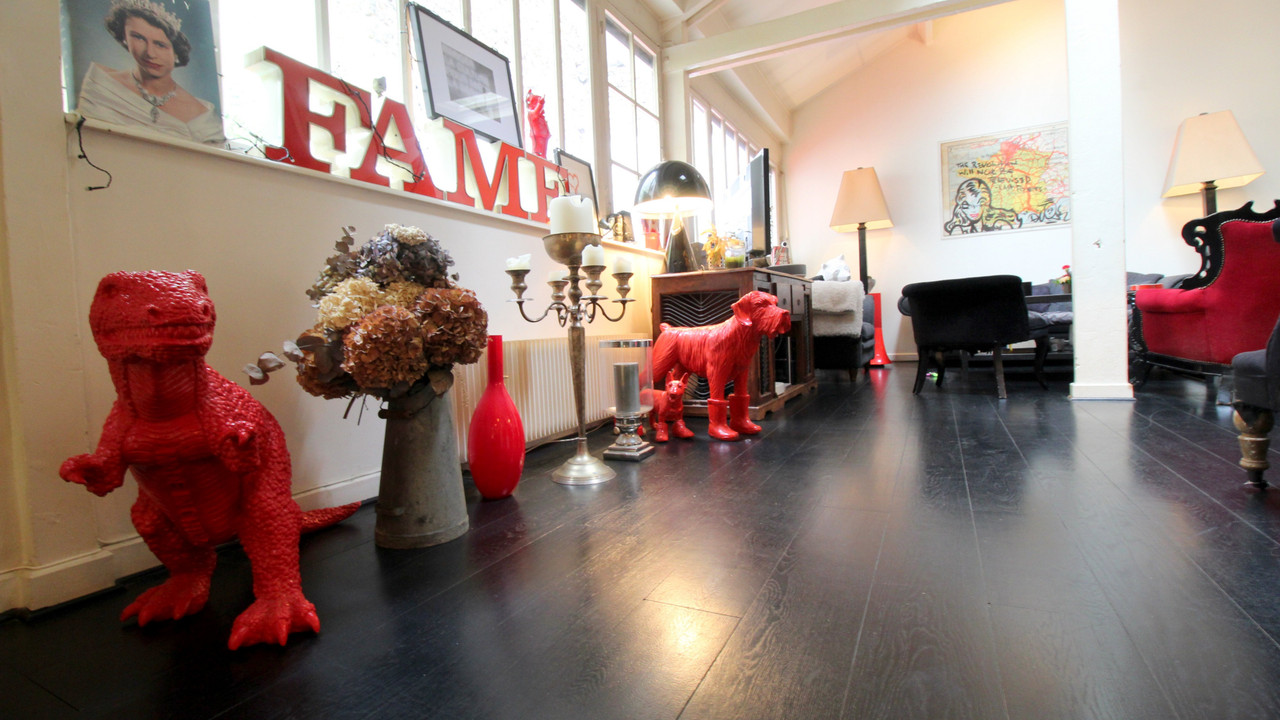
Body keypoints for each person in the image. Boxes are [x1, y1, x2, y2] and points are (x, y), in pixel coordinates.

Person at [76, 0, 225, 146]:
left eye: (160, 45)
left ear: (176, 52)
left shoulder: (202, 115)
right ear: (125, 38)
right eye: (139, 38)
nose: (150, 53)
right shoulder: (101, 84)